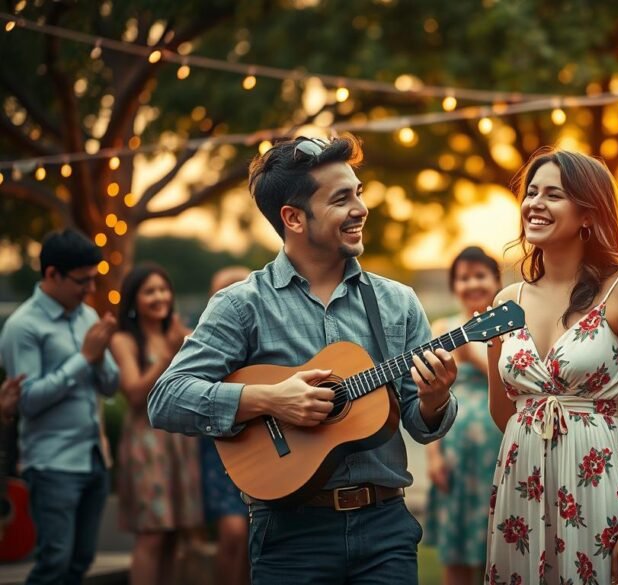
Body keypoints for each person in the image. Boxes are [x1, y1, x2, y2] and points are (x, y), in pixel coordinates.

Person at [147, 134, 459, 584]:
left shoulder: (399, 302)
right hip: (289, 534)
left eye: (358, 192)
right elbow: (166, 399)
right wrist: (270, 400)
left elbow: (418, 421)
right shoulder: (241, 305)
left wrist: (434, 398)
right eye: (340, 199)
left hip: (385, 525)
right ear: (293, 217)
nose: (360, 209)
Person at [485, 148, 618, 585]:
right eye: (531, 192)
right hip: (523, 490)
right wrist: (539, 456)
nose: (535, 203)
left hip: (602, 484)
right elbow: (506, 412)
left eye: (553, 195)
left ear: (588, 214)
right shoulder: (504, 304)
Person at [0, 228, 119, 585]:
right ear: (52, 274)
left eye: (93, 281)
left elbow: (111, 385)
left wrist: (99, 358)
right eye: (82, 281)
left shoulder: (86, 315)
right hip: (52, 463)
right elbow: (29, 401)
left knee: (81, 562)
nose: (90, 291)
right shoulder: (22, 327)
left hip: (94, 458)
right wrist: (84, 358)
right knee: (54, 564)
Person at [109, 264, 203, 585]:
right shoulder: (123, 340)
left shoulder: (182, 334)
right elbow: (134, 394)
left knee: (175, 536)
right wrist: (170, 355)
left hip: (180, 440)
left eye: (163, 290)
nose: (159, 297)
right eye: (149, 291)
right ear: (133, 300)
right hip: (146, 444)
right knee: (152, 535)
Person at [424, 246, 506, 585]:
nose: (472, 283)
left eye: (480, 275)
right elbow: (426, 394)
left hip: (498, 453)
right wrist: (433, 457)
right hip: (454, 454)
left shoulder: (508, 325)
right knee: (455, 554)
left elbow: (515, 387)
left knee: (501, 550)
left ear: (496, 280)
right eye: (463, 277)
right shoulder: (442, 327)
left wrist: (472, 354)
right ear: (453, 285)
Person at [197, 265, 251, 585]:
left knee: (253, 533)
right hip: (220, 449)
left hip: (262, 447)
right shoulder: (207, 340)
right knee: (232, 531)